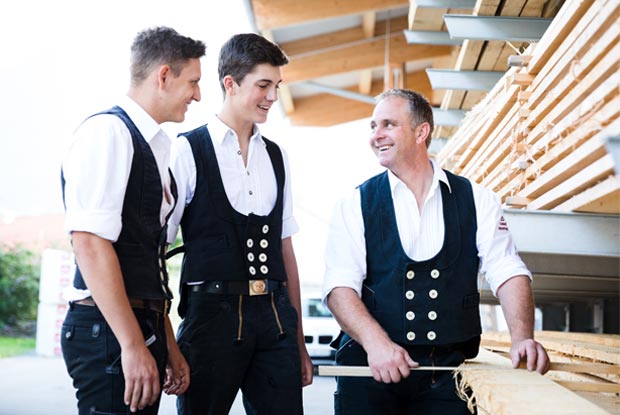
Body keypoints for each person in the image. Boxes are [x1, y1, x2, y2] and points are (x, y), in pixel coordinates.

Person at [322, 88, 550, 415]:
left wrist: (522, 337)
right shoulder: (354, 203)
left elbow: (507, 270)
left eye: (388, 124)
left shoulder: (478, 199)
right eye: (373, 126)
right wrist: (377, 344)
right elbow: (339, 288)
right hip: (370, 368)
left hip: (447, 373)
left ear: (421, 132)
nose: (376, 135)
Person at [60, 26, 206, 414]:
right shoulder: (107, 131)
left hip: (140, 325)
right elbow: (90, 243)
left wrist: (166, 342)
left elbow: (145, 263)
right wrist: (131, 344)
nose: (197, 95)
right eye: (193, 82)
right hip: (108, 331)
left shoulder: (155, 146)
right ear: (164, 76)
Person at [166, 32, 313, 415]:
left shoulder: (277, 156)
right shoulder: (187, 150)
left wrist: (297, 340)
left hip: (276, 318)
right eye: (263, 85)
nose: (273, 96)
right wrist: (164, 339)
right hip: (210, 316)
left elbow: (285, 250)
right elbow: (156, 247)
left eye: (277, 86)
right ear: (230, 84)